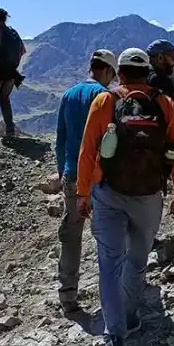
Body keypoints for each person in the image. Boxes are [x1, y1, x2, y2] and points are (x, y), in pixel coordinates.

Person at [76, 48, 174, 346]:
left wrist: (83, 192)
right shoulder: (164, 104)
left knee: (109, 265)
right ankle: (131, 316)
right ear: (147, 73)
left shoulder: (105, 102)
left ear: (121, 73)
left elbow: (88, 150)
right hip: (149, 197)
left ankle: (113, 338)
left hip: (109, 194)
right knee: (137, 262)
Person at [53, 49, 118, 314]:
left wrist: (62, 171)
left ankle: (68, 296)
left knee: (71, 234)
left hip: (72, 176)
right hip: (100, 178)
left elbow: (60, 138)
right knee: (109, 235)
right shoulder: (105, 97)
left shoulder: (68, 95)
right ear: (107, 71)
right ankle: (113, 294)